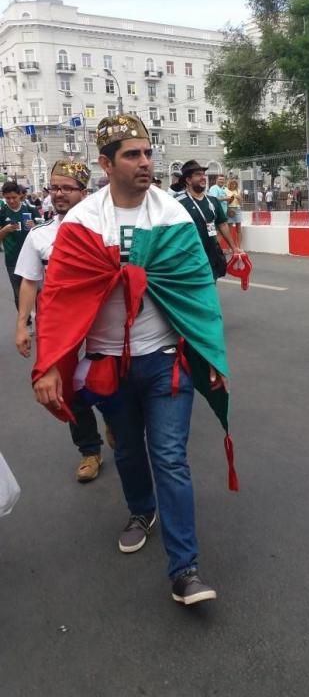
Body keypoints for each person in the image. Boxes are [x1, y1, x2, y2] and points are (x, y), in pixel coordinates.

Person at [32, 114, 236, 605]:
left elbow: (197, 291)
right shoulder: (80, 223)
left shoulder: (172, 214)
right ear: (106, 163)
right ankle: (141, 511)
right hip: (107, 363)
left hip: (165, 359)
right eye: (132, 154)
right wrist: (47, 366)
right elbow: (58, 299)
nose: (146, 162)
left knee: (170, 457)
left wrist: (211, 353)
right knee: (125, 451)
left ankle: (185, 569)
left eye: (148, 153)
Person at [14, 159, 105, 482]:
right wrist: (23, 324)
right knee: (65, 385)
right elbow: (29, 280)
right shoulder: (40, 236)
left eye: (68, 188)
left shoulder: (100, 230)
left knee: (109, 375)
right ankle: (89, 451)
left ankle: (114, 420)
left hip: (99, 319)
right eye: (55, 188)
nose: (60, 194)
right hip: (60, 326)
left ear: (84, 192)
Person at [175, 160, 242, 278]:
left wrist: (234, 247)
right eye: (198, 175)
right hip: (190, 257)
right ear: (188, 180)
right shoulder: (178, 203)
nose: (203, 178)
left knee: (211, 287)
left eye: (203, 175)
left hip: (212, 254)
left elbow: (222, 224)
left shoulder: (213, 201)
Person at [0, 181, 37, 312]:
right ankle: (25, 323)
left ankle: (40, 320)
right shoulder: (2, 213)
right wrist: (5, 230)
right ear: (3, 196)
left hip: (32, 259)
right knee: (19, 294)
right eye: (7, 198)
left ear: (20, 195)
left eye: (14, 197)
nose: (11, 201)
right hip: (12, 260)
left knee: (37, 293)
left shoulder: (30, 210)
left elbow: (42, 233)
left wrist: (35, 227)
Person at [225, 177, 243, 247]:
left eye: (235, 184)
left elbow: (241, 202)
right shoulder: (225, 190)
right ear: (229, 184)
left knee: (239, 229)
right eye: (232, 184)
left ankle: (239, 246)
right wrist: (229, 200)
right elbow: (225, 202)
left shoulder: (238, 190)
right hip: (229, 209)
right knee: (229, 230)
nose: (233, 185)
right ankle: (231, 247)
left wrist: (240, 199)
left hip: (237, 209)